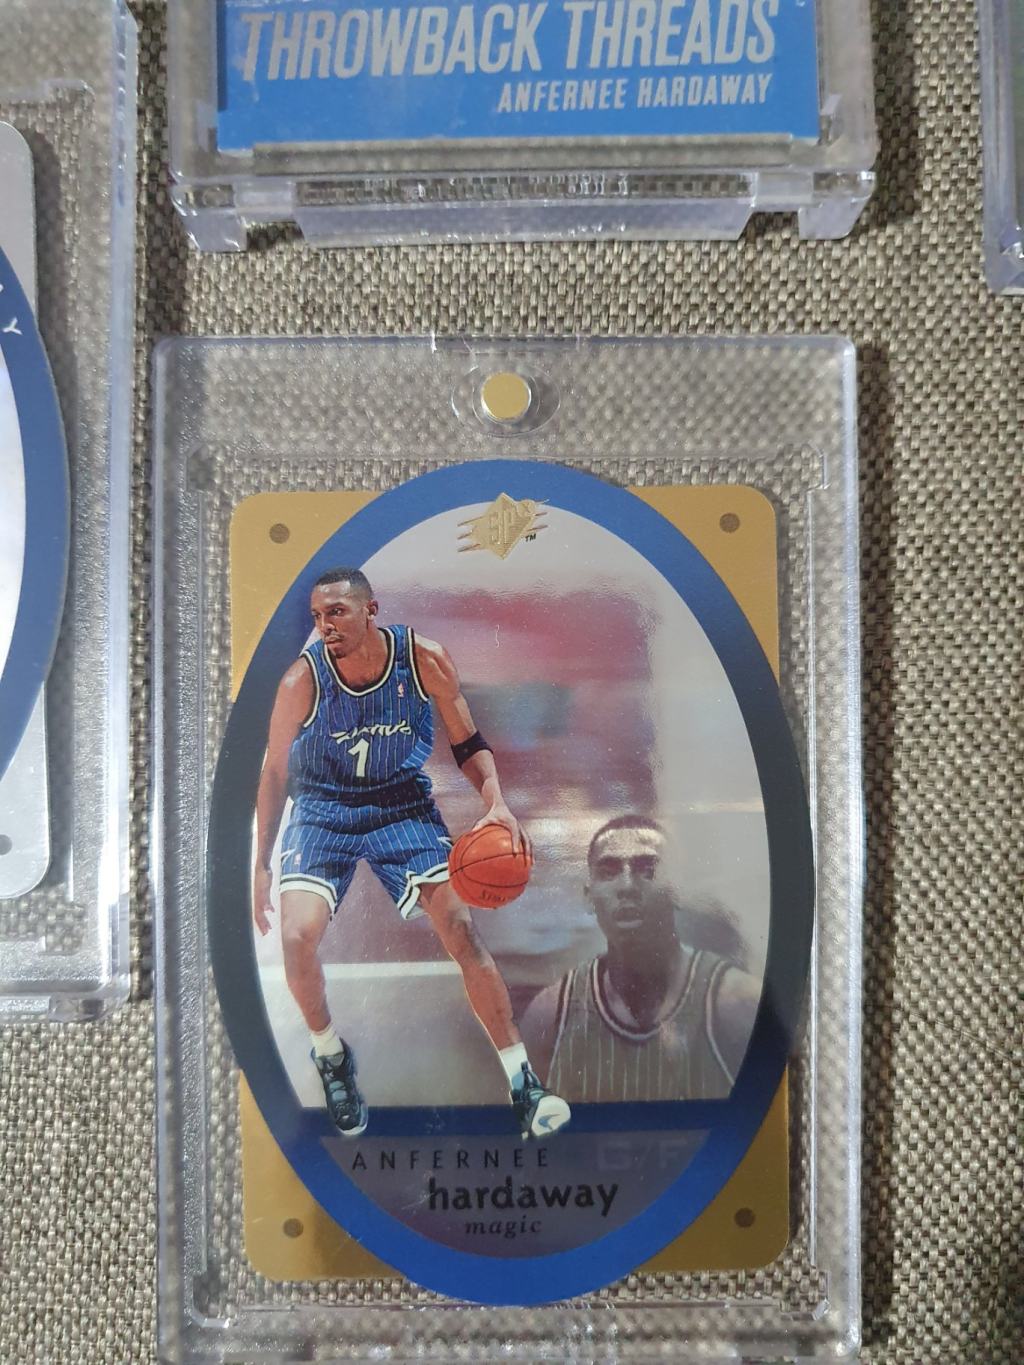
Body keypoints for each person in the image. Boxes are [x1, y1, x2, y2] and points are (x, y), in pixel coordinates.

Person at [253, 567, 570, 1141]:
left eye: (337, 612)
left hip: (401, 804)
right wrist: (260, 864)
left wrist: (496, 802)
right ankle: (331, 1055)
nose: (325, 626)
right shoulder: (301, 681)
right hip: (323, 809)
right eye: (318, 617)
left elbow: (467, 742)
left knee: (460, 928)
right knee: (296, 937)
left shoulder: (425, 660)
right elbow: (274, 771)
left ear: (370, 609)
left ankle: (523, 1082)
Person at [521, 816, 760, 1101]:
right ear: (588, 896)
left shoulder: (735, 1004)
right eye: (608, 872)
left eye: (648, 870)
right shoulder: (551, 1015)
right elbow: (526, 1124)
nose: (627, 886)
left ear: (677, 890)